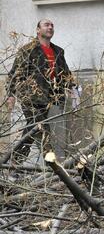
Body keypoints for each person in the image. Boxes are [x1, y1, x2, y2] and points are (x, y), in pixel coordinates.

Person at [6, 19, 73, 163]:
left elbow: (66, 73)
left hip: (52, 98)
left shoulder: (58, 51)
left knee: (32, 129)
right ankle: (52, 166)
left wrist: (73, 87)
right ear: (38, 30)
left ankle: (14, 163)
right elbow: (15, 73)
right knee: (41, 128)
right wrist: (11, 94)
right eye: (46, 25)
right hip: (32, 97)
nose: (50, 27)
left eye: (52, 25)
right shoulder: (28, 50)